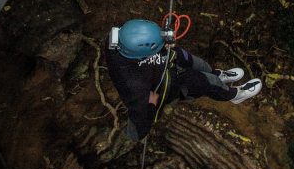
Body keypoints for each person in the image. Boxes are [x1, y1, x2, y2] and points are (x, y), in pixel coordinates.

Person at [104, 18, 263, 141]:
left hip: (164, 62)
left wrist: (162, 38)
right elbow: (140, 127)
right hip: (172, 82)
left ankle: (218, 74)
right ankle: (235, 95)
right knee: (204, 81)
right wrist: (152, 104)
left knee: (194, 61)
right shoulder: (134, 86)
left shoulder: (118, 37)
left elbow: (140, 34)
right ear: (144, 56)